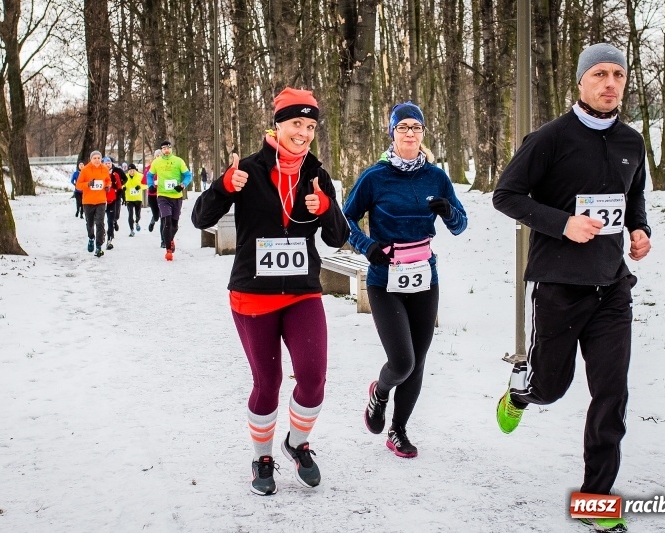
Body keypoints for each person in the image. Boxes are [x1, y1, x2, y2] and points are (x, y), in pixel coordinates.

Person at [492, 43, 651, 533]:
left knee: (611, 396)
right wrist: (562, 224)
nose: (609, 83)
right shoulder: (550, 139)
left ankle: (595, 500)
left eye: (618, 75)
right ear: (580, 82)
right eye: (599, 74)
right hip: (560, 287)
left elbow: (634, 195)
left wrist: (640, 229)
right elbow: (506, 196)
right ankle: (522, 392)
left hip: (612, 289)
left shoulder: (631, 142)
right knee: (552, 388)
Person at [191, 87, 348, 495]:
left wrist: (326, 209)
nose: (303, 133)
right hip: (252, 295)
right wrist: (224, 186)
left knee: (313, 378)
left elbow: (338, 238)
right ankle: (262, 457)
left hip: (302, 293)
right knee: (269, 380)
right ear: (277, 124)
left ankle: (297, 444)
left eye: (310, 126)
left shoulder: (316, 175)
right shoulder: (247, 169)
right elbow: (200, 218)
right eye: (296, 123)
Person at [342, 101, 467, 459]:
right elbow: (345, 219)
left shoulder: (436, 176)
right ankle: (379, 393)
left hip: (425, 276)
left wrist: (449, 211)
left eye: (416, 127)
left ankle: (398, 430)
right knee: (402, 362)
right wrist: (368, 247)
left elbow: (460, 225)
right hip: (385, 277)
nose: (410, 133)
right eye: (403, 127)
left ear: (423, 133)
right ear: (392, 133)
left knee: (419, 359)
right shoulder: (375, 177)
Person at [146, 140, 192, 260]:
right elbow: (149, 175)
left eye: (168, 148)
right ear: (161, 150)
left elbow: (188, 175)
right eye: (164, 148)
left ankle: (170, 239)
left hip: (176, 196)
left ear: (171, 149)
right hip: (162, 196)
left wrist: (182, 185)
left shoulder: (178, 161)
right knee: (166, 221)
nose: (166, 150)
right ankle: (168, 250)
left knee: (174, 225)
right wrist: (151, 184)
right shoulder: (157, 162)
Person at [75, 151, 111, 257]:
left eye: (98, 158)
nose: (97, 160)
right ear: (91, 159)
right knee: (90, 224)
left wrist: (108, 186)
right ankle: (91, 238)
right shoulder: (85, 170)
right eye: (94, 158)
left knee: (100, 223)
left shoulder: (105, 169)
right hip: (88, 201)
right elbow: (78, 185)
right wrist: (88, 184)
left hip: (100, 200)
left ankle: (98, 247)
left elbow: (108, 180)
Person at [102, 156, 124, 250]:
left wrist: (119, 195)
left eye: (109, 163)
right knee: (100, 221)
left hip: (112, 200)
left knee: (110, 221)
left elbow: (119, 186)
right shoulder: (99, 173)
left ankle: (109, 240)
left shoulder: (115, 174)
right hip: (100, 201)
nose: (108, 165)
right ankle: (100, 235)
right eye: (106, 163)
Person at [143, 150, 164, 244]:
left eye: (160, 155)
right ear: (154, 157)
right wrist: (152, 183)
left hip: (163, 194)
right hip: (152, 195)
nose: (159, 157)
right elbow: (143, 180)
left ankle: (163, 240)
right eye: (157, 155)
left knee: (163, 217)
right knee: (156, 216)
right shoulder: (149, 168)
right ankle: (153, 220)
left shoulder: (166, 167)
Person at [123, 163, 144, 237]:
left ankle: (137, 222)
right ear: (128, 171)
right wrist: (123, 187)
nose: (132, 172)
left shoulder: (140, 176)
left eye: (133, 170)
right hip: (129, 199)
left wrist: (140, 187)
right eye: (130, 170)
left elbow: (146, 184)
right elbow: (122, 184)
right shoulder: (125, 177)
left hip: (138, 198)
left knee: (137, 214)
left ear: (135, 170)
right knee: (130, 214)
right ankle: (131, 230)